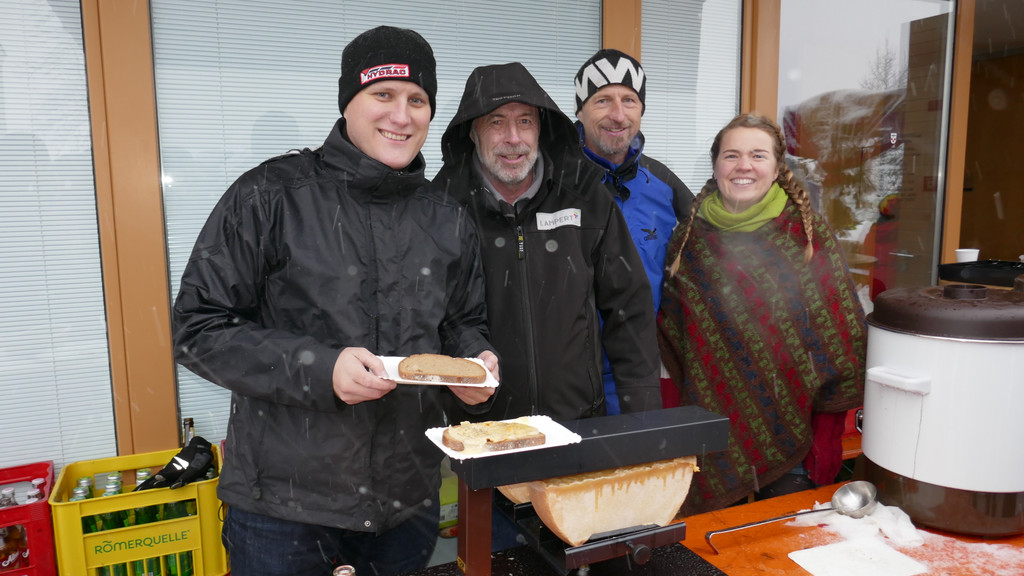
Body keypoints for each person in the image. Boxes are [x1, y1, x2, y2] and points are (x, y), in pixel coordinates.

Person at [171, 26, 497, 576]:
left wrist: (475, 364)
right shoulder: (270, 196)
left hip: (407, 504)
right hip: (283, 510)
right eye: (383, 94)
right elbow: (197, 328)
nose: (402, 114)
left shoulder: (447, 217)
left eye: (417, 100)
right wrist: (322, 370)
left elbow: (463, 322)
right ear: (348, 102)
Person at [658, 113, 866, 516]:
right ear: (716, 165)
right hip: (709, 435)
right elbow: (674, 338)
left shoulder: (806, 235)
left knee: (779, 550)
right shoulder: (689, 239)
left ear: (776, 168)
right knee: (713, 553)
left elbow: (841, 339)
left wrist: (824, 439)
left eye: (758, 155)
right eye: (731, 155)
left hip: (793, 434)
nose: (744, 166)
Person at [434, 62, 661, 423]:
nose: (513, 138)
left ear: (542, 128)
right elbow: (431, 318)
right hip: (482, 431)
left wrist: (644, 418)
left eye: (525, 121)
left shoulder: (586, 198)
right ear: (472, 133)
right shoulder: (442, 209)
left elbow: (629, 312)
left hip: (578, 424)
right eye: (496, 122)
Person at [573, 48, 694, 413]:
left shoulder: (666, 186)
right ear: (579, 110)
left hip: (642, 377)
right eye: (602, 100)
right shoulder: (552, 181)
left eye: (629, 100)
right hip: (571, 380)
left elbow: (710, 260)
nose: (617, 114)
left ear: (641, 110)